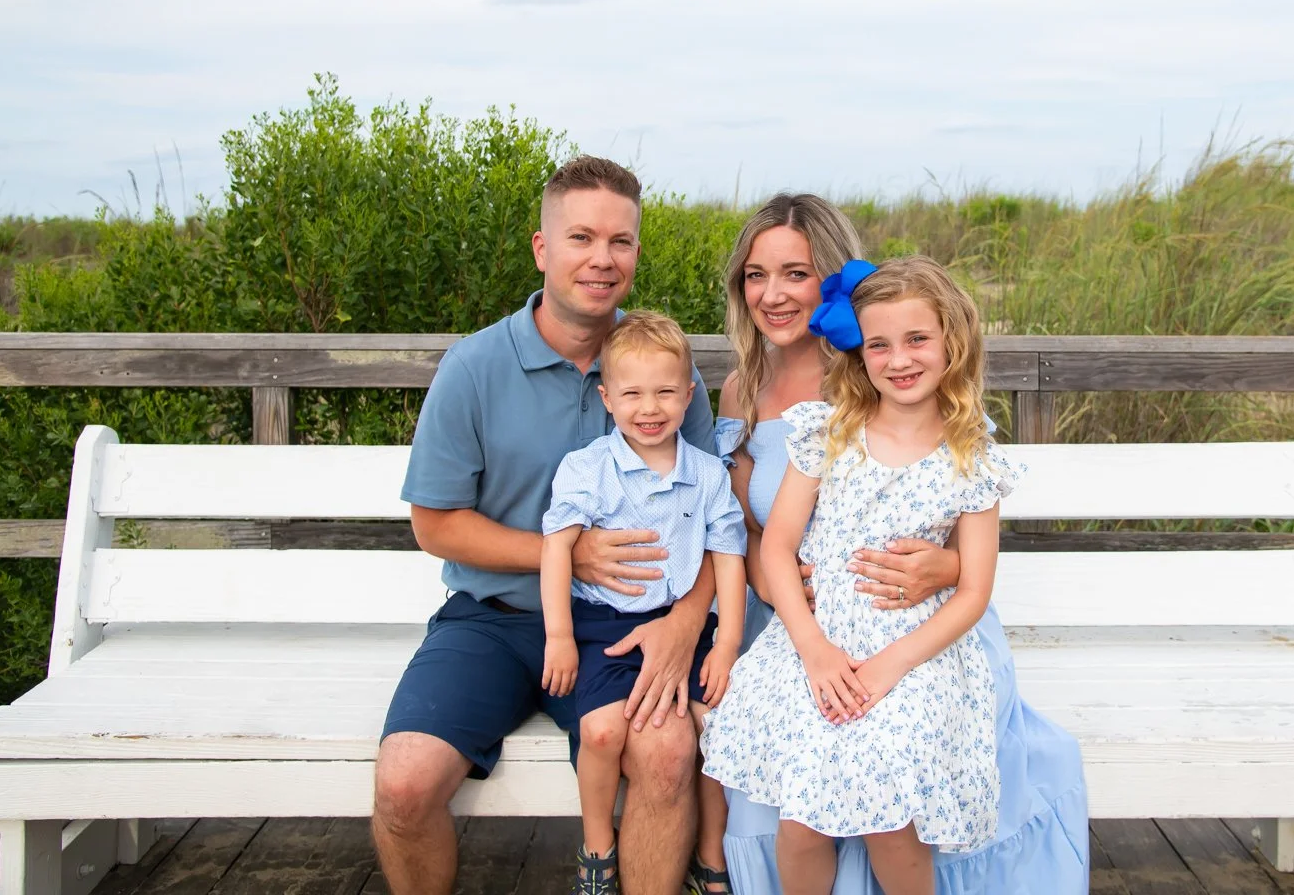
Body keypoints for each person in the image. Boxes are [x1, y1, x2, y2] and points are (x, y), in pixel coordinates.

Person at [713, 194, 1088, 894]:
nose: (898, 358)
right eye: (755, 276)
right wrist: (814, 644)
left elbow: (973, 583)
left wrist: (898, 644)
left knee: (891, 814)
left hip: (914, 643)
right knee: (800, 819)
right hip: (814, 636)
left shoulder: (962, 448)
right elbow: (767, 540)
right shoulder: (811, 420)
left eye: (794, 274)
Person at [373, 156, 719, 895]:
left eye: (621, 241)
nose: (602, 259)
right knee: (404, 785)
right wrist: (570, 557)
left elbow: (714, 525)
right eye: (581, 237)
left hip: (629, 625)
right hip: (491, 620)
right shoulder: (474, 367)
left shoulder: (662, 370)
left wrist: (688, 621)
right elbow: (436, 524)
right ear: (541, 248)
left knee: (665, 753)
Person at [541, 310, 749, 894]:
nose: (649, 408)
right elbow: (556, 550)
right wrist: (559, 635)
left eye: (665, 392)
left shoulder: (708, 475)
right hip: (604, 624)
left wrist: (726, 642)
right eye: (631, 393)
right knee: (604, 732)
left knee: (719, 725)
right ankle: (596, 850)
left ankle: (712, 859)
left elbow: (727, 556)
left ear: (689, 395)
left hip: (686, 625)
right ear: (607, 398)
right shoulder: (587, 470)